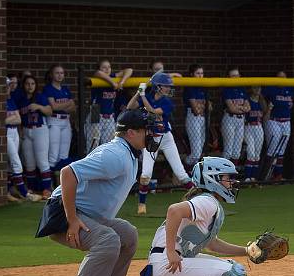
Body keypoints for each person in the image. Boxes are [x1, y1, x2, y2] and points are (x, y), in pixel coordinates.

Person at [37, 110, 154, 276]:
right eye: (146, 130)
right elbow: (67, 173)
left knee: (127, 234)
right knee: (107, 239)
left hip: (85, 214)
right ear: (130, 133)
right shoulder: (115, 155)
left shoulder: (127, 151)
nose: (151, 134)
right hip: (62, 213)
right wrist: (72, 220)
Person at [138, 156, 249, 276]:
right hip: (169, 263)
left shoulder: (207, 201)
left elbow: (212, 244)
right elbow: (174, 211)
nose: (232, 182)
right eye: (227, 178)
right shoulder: (207, 202)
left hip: (167, 262)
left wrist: (248, 251)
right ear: (213, 179)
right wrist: (170, 251)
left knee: (232, 266)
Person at [127, 73, 192, 215]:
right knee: (146, 174)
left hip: (166, 138)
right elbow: (130, 106)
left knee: (181, 174)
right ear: (157, 87)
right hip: (151, 138)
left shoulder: (167, 102)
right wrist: (139, 93)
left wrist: (143, 97)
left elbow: (153, 111)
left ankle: (200, 200)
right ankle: (141, 205)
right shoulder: (148, 97)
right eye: (166, 86)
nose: (168, 88)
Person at [4, 74, 39, 202]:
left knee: (9, 164)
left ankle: (7, 192)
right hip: (6, 133)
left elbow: (18, 119)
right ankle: (25, 194)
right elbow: (0, 121)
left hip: (14, 133)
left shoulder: (11, 100)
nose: (7, 89)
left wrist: (9, 120)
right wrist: (10, 119)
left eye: (8, 86)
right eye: (4, 87)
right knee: (16, 163)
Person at [87, 59, 133, 152]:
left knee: (109, 144)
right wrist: (113, 83)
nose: (107, 69)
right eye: (104, 67)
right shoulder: (98, 78)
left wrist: (122, 82)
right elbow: (98, 73)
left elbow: (129, 70)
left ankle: (106, 165)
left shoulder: (114, 77)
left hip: (109, 115)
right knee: (93, 143)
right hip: (96, 113)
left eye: (109, 67)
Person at [43, 64, 76, 173]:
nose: (59, 75)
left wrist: (63, 106)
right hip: (54, 120)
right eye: (57, 73)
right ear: (52, 75)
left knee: (64, 154)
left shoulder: (65, 89)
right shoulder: (48, 88)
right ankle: (50, 180)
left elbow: (73, 108)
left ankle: (61, 180)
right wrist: (68, 104)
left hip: (66, 121)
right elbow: (54, 107)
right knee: (53, 153)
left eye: (62, 73)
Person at [220, 67, 250, 167]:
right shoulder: (227, 89)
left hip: (241, 121)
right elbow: (231, 109)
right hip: (229, 119)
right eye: (233, 75)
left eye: (237, 75)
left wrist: (238, 107)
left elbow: (248, 107)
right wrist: (242, 108)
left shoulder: (243, 89)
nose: (235, 77)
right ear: (229, 77)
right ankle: (223, 175)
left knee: (237, 151)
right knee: (228, 150)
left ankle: (231, 176)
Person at [182, 63, 209, 170]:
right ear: (191, 74)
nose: (200, 76)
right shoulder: (190, 87)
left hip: (203, 119)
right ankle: (181, 169)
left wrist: (202, 107)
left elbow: (209, 107)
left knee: (199, 151)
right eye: (197, 73)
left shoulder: (203, 87)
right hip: (193, 119)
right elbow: (196, 110)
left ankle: (191, 174)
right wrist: (203, 106)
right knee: (196, 153)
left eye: (202, 73)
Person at [243, 85, 265, 181]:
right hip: (248, 127)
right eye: (255, 87)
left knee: (257, 154)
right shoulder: (247, 100)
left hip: (259, 127)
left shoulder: (262, 101)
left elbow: (265, 116)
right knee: (251, 152)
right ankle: (247, 177)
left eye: (259, 88)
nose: (257, 89)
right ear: (251, 88)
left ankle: (253, 177)